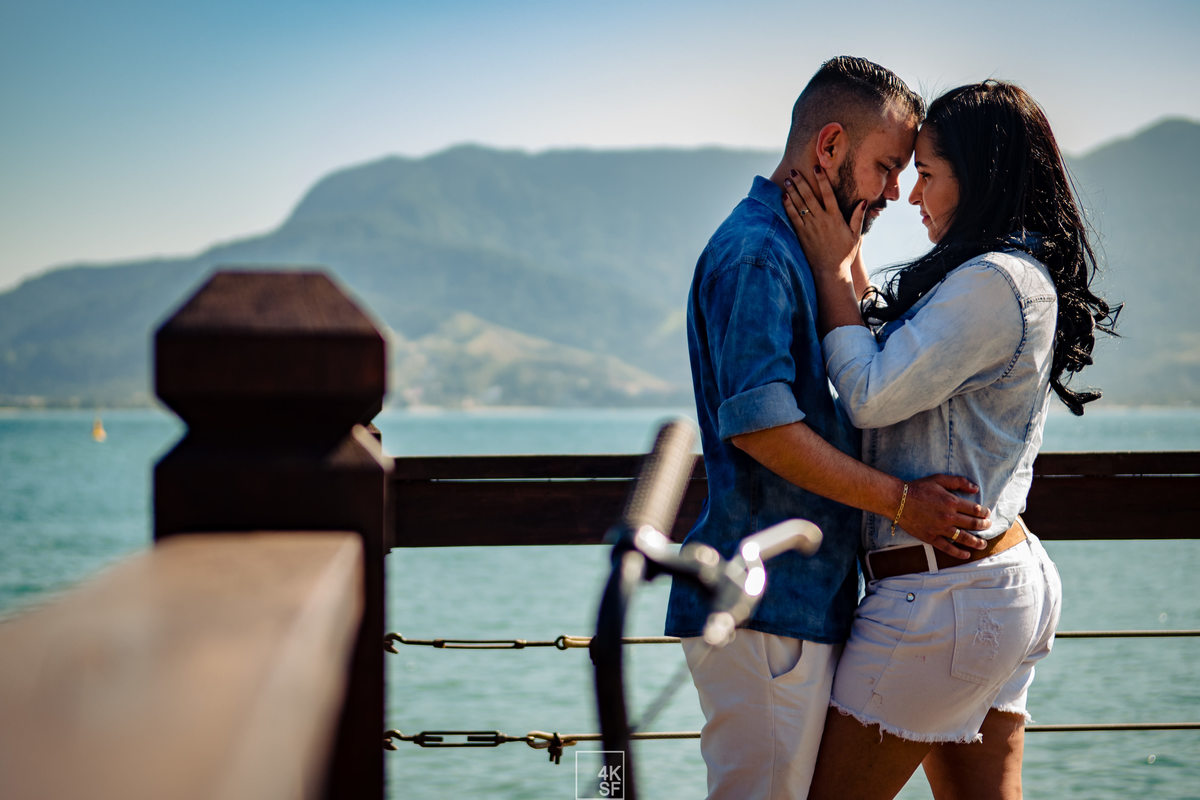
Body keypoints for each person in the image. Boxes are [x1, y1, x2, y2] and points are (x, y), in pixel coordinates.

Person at [664, 56, 994, 800]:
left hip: (794, 604)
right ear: (830, 146)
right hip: (764, 609)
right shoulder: (756, 255)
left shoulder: (795, 252)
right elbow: (762, 428)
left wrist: (844, 261)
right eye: (884, 168)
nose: (891, 193)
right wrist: (905, 505)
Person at [781, 80, 1117, 799]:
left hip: (944, 601)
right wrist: (851, 269)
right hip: (981, 587)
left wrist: (830, 270)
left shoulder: (994, 283)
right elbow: (904, 358)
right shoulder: (998, 277)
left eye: (927, 175)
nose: (911, 196)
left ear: (980, 176)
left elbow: (871, 394)